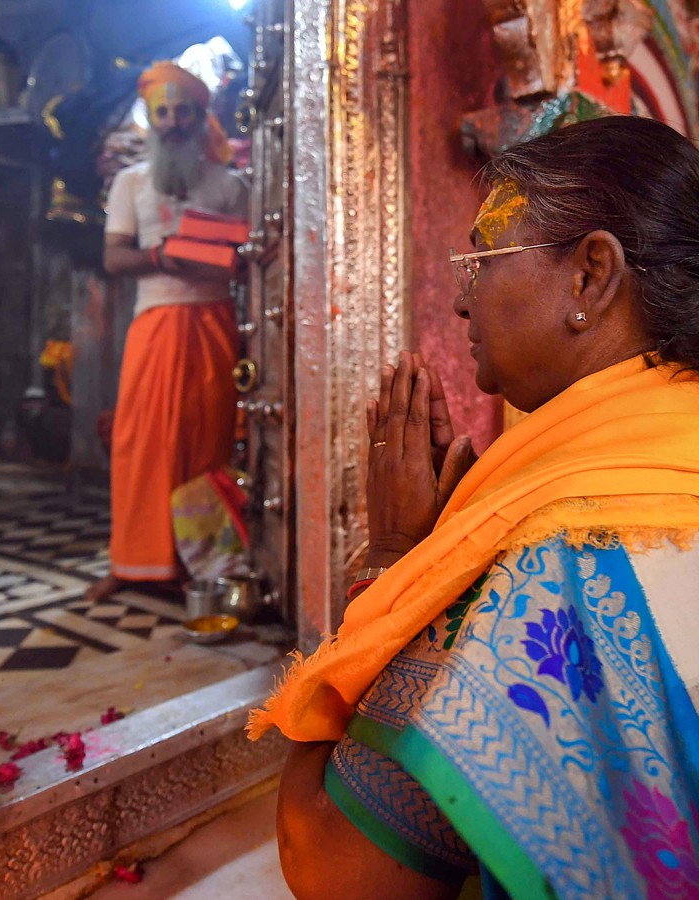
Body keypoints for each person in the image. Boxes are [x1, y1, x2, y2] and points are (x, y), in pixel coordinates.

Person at [249, 115, 699, 900]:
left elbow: (333, 867)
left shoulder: (550, 561)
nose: (462, 301)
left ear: (591, 275)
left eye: (482, 260)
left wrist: (392, 556)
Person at [87, 61, 249, 602]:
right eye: (163, 112)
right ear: (151, 121)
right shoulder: (130, 183)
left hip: (214, 322)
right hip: (155, 324)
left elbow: (246, 257)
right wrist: (161, 255)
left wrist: (216, 257)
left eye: (183, 111)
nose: (173, 122)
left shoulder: (230, 184)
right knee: (142, 446)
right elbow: (112, 258)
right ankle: (133, 563)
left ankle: (199, 562)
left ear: (203, 117)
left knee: (207, 442)